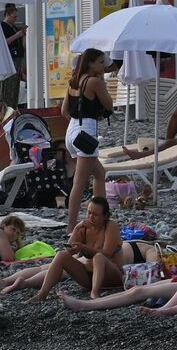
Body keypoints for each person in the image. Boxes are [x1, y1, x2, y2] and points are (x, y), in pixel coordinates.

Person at [28, 195, 122, 300]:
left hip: (111, 276)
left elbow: (107, 254)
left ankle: (95, 293)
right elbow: (69, 251)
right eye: (89, 213)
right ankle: (42, 293)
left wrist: (84, 248)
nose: (90, 217)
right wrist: (77, 228)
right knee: (61, 255)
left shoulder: (110, 226)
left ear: (105, 216)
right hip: (88, 277)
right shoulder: (84, 228)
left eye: (95, 215)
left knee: (98, 257)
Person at [60, 48, 112, 238]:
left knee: (100, 174)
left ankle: (101, 218)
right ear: (90, 63)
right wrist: (102, 81)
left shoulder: (73, 82)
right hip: (86, 130)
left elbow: (64, 111)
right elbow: (109, 105)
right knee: (80, 182)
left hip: (72, 130)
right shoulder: (95, 82)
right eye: (100, 62)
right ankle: (71, 227)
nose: (103, 66)